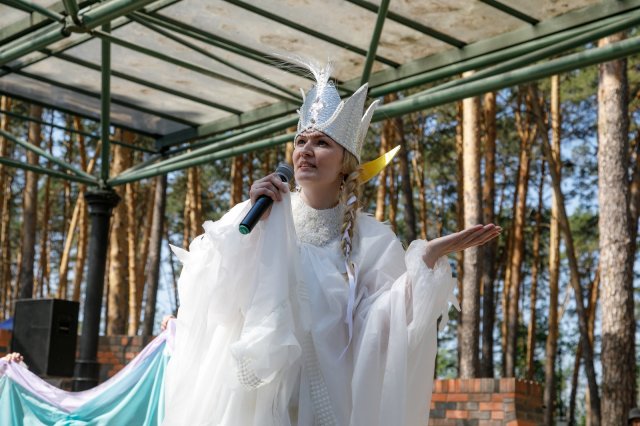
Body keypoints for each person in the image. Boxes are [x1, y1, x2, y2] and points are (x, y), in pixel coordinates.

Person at [162, 61, 501, 426]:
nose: (306, 151)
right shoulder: (262, 212)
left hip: (327, 405)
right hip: (257, 401)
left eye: (322, 143)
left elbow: (385, 325)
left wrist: (425, 259)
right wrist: (251, 233)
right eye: (301, 141)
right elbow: (213, 289)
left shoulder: (372, 242)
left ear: (345, 163)